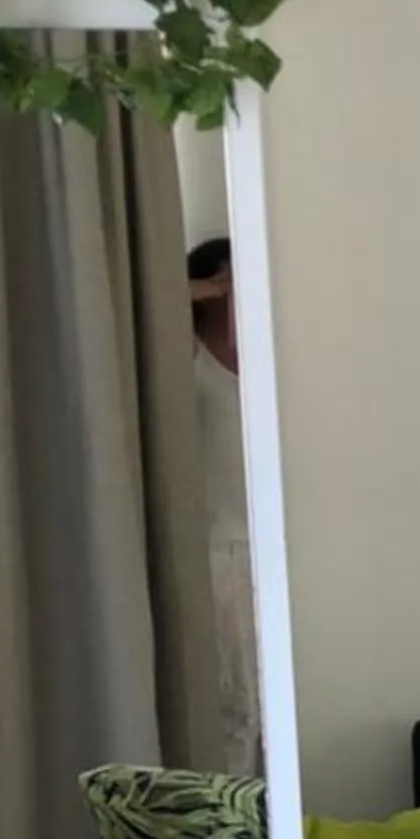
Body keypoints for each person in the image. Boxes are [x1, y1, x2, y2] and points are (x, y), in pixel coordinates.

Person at [187, 236, 261, 774]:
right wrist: (212, 288)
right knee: (235, 704)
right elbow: (135, 300)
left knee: (277, 698)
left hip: (272, 546)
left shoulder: (266, 358)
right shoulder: (186, 359)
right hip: (221, 547)